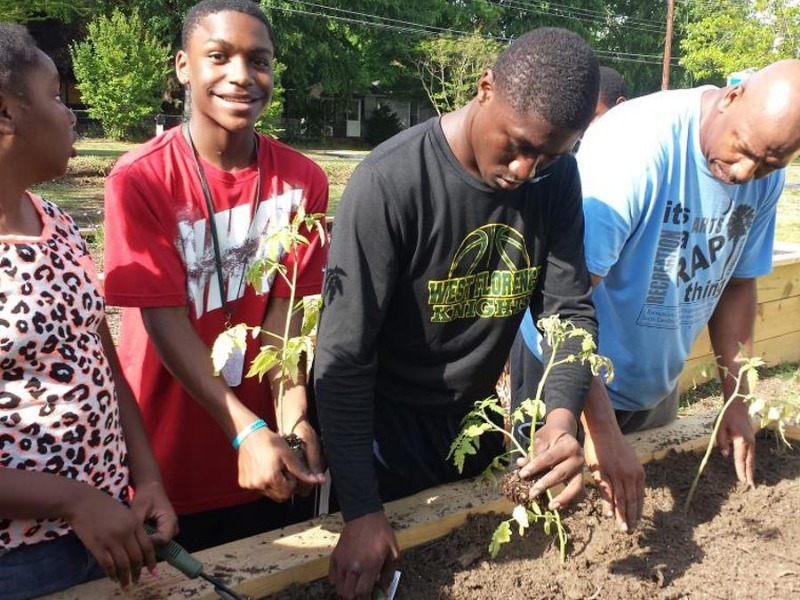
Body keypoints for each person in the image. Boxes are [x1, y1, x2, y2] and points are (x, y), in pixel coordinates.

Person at [314, 28, 600, 600]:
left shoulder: (556, 180)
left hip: (472, 427)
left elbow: (569, 311)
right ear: (485, 88)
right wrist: (363, 510)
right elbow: (343, 357)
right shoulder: (390, 182)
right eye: (517, 146)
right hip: (380, 436)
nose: (526, 171)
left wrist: (562, 417)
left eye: (549, 154)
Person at [515, 59, 800, 535]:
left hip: (653, 376)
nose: (745, 172)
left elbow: (737, 281)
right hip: (563, 370)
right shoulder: (636, 148)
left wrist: (737, 398)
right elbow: (564, 306)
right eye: (745, 150)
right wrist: (601, 430)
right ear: (732, 96)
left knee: (632, 489)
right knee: (552, 514)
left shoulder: (764, 168)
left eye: (771, 162)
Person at [103, 0, 328, 553]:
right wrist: (245, 430)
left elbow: (286, 323)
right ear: (184, 66)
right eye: (218, 56)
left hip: (264, 464)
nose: (241, 76)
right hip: (170, 461)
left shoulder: (303, 181)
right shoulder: (142, 179)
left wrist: (292, 424)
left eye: (259, 60)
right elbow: (163, 321)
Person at [0, 23, 177, 599]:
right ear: (6, 114)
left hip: (109, 528)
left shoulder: (59, 222)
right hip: (21, 560)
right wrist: (73, 501)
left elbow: (102, 361)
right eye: (55, 97)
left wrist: (145, 477)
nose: (72, 115)